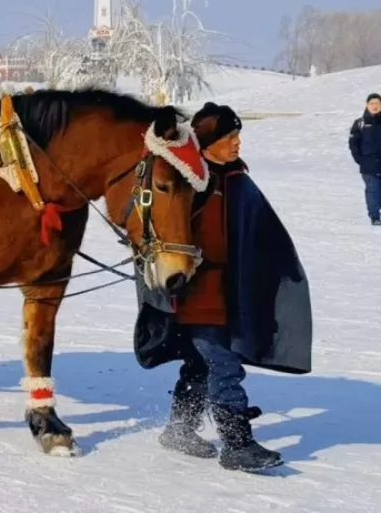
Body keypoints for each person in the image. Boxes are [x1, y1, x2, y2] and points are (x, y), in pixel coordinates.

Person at [134, 102, 312, 473]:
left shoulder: (235, 179)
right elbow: (166, 233)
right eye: (229, 137)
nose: (237, 144)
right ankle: (237, 443)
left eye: (238, 136)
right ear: (209, 141)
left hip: (231, 289)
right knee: (224, 365)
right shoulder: (190, 183)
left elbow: (257, 230)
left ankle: (179, 429)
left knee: (200, 363)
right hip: (198, 293)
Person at [348, 93, 381, 225]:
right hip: (368, 165)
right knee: (373, 190)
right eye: (372, 103)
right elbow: (353, 143)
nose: (375, 106)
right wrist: (360, 159)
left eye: (377, 103)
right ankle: (374, 216)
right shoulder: (360, 123)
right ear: (367, 105)